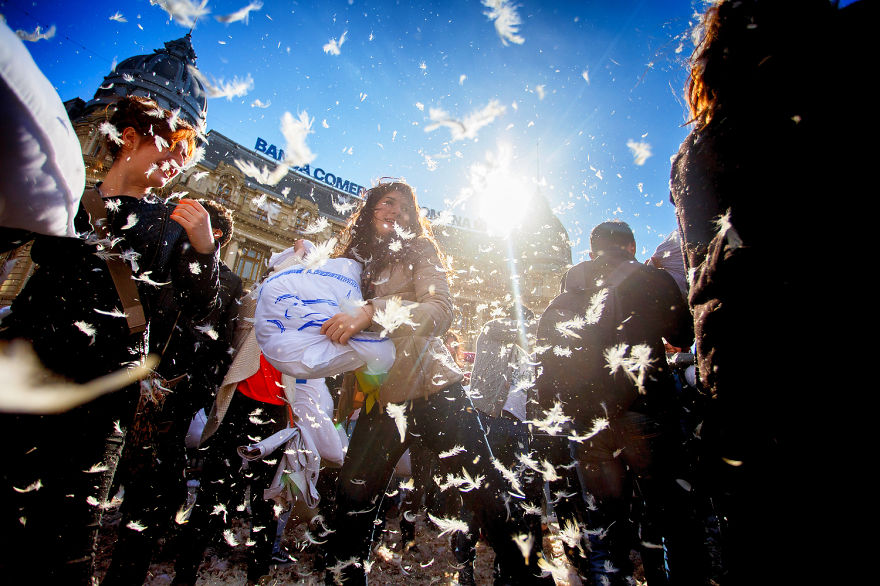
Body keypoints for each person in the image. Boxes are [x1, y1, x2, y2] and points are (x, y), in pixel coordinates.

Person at [669, 1, 876, 582]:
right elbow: (704, 277)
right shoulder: (713, 148)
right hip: (768, 380)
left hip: (758, 384)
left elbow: (698, 287)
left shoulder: (710, 148)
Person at [0, 95, 219, 584]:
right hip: (25, 372)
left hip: (102, 393)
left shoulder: (173, 225)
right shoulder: (68, 197)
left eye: (185, 156)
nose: (178, 163)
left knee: (73, 536)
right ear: (131, 139)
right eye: (171, 148)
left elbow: (203, 309)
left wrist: (206, 249)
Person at [322, 180, 548, 585]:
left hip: (434, 389)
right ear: (370, 209)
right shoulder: (352, 264)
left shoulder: (420, 251)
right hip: (378, 398)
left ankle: (526, 576)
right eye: (387, 203)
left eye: (406, 208)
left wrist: (372, 311)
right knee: (352, 508)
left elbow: (440, 309)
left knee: (488, 492)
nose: (397, 212)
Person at [536, 221, 702, 585]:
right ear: (631, 247)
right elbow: (683, 334)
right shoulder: (650, 278)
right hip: (646, 409)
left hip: (589, 423)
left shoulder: (571, 287)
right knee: (669, 523)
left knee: (604, 537)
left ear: (591, 250)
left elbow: (545, 343)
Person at [101, 200, 241, 586]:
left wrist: (195, 389)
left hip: (176, 390)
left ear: (216, 238)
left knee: (151, 485)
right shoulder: (152, 259)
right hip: (127, 374)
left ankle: (128, 568)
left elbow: (222, 346)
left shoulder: (228, 282)